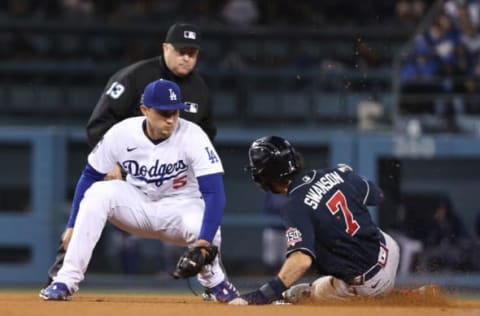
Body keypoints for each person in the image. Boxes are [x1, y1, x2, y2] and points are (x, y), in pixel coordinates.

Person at [45, 21, 217, 285]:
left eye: (192, 53)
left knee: (206, 211)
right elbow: (98, 124)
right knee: (95, 196)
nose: (186, 57)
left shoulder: (201, 89)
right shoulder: (135, 76)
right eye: (181, 51)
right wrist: (113, 163)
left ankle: (212, 279)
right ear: (165, 48)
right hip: (127, 167)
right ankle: (62, 272)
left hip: (171, 175)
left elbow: (207, 134)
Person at [39, 79, 239, 302]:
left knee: (204, 223)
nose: (171, 119)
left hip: (181, 208)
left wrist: (203, 244)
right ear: (145, 109)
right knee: (98, 193)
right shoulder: (122, 133)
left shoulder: (194, 136)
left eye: (175, 112)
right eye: (164, 113)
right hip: (137, 205)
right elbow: (90, 176)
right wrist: (72, 225)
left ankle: (215, 282)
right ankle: (66, 280)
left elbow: (215, 194)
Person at [229, 136, 400, 305]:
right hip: (390, 249)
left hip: (369, 284)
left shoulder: (294, 206)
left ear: (263, 177)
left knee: (301, 296)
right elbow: (377, 195)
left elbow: (301, 261)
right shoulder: (333, 172)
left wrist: (264, 294)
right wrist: (349, 177)